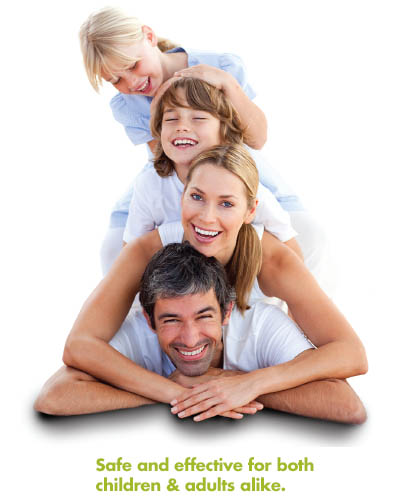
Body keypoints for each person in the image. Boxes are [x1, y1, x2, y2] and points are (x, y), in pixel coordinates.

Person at [54, 144, 366, 420]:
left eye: (227, 203)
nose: (206, 217)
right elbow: (80, 345)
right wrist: (175, 390)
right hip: (174, 350)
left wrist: (247, 382)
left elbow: (349, 353)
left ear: (250, 210)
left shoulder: (274, 263)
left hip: (252, 347)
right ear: (182, 197)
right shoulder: (145, 252)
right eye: (197, 197)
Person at [80, 6, 329, 281]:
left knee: (309, 234)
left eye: (132, 65)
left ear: (148, 36)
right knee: (112, 249)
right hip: (174, 173)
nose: (132, 82)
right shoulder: (127, 105)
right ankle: (143, 318)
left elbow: (257, 138)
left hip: (232, 161)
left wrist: (227, 85)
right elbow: (170, 159)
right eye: (116, 80)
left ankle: (295, 308)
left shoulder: (222, 66)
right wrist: (157, 114)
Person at [34, 242, 366, 424]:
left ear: (226, 312)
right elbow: (55, 396)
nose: (190, 338)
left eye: (204, 316)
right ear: (150, 321)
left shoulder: (261, 324)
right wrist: (174, 392)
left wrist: (239, 385)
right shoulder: (138, 329)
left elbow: (347, 405)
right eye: (171, 320)